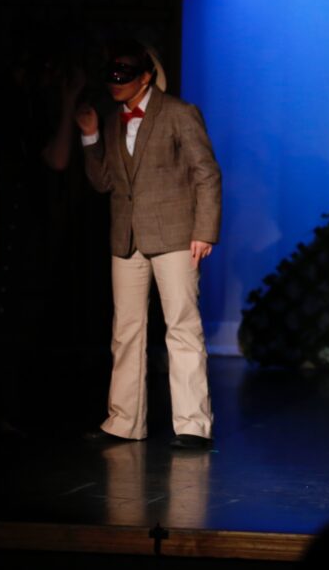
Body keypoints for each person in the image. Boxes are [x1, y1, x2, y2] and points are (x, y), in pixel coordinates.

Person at [76, 39, 221, 449]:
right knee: (125, 330)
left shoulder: (178, 112)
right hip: (126, 238)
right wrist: (90, 137)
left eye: (124, 74)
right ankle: (124, 420)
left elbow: (206, 172)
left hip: (175, 235)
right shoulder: (111, 120)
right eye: (111, 74)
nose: (115, 82)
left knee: (182, 327)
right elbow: (104, 182)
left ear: (145, 77)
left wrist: (204, 230)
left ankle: (192, 424)